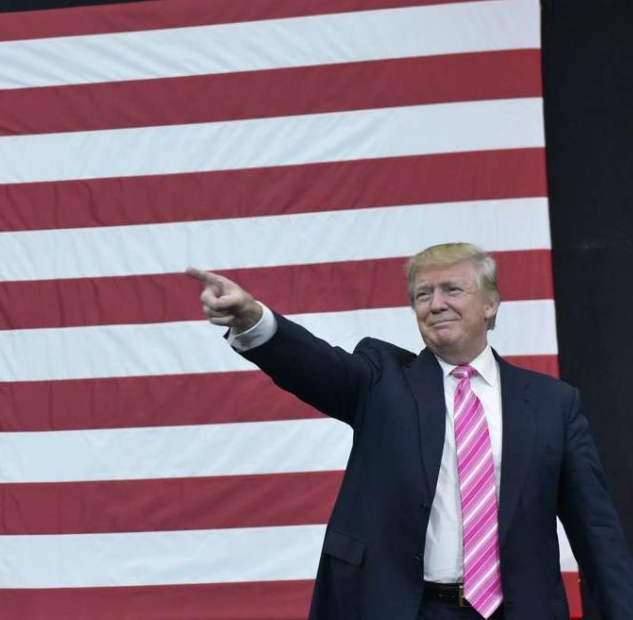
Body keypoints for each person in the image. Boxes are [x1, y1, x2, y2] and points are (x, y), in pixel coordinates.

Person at [187, 242, 633, 619]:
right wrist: (252, 319)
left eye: (452, 289)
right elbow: (315, 366)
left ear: (490, 304)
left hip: (515, 609)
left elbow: (596, 532)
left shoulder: (554, 404)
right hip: (406, 606)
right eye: (423, 294)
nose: (436, 303)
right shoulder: (382, 379)